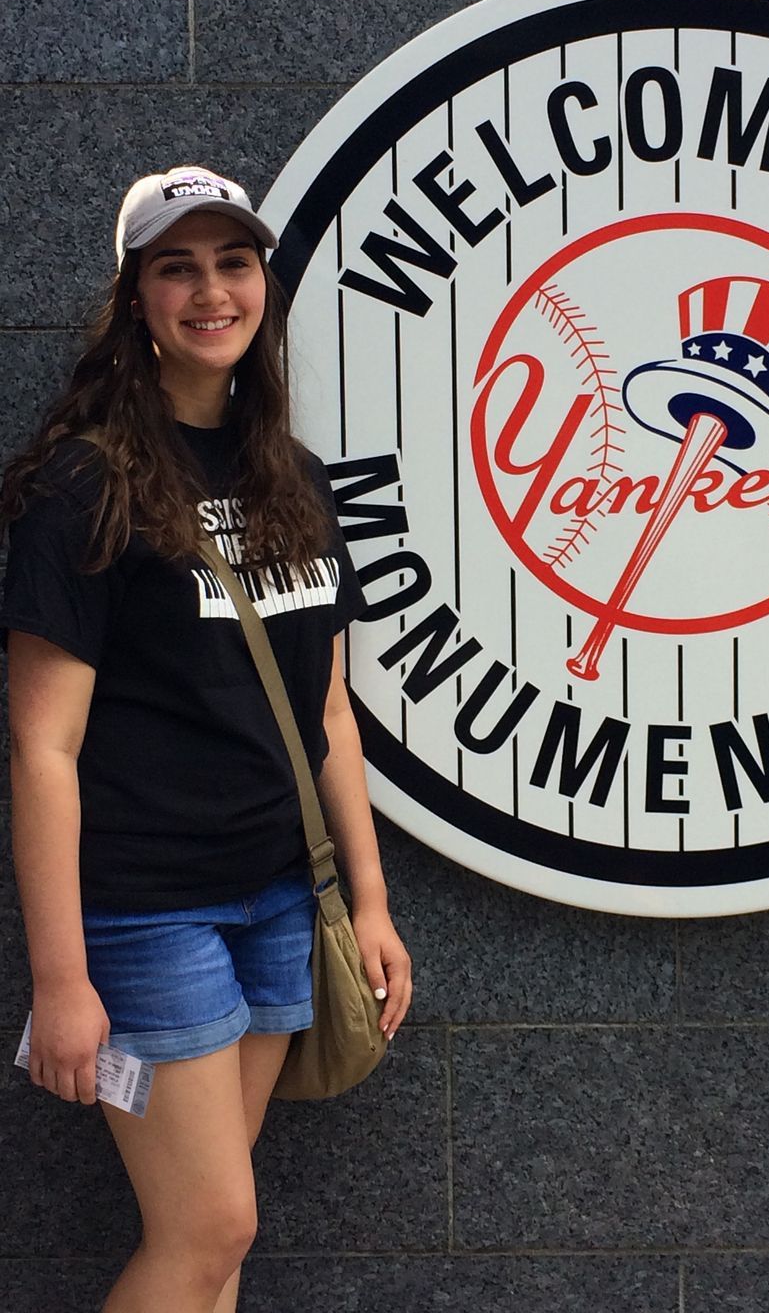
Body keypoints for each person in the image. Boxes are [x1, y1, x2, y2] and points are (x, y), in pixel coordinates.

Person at [0, 166, 412, 1312]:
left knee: (213, 1245)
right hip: (146, 909)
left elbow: (328, 709)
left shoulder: (299, 482)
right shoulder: (85, 485)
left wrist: (368, 903)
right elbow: (41, 748)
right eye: (176, 267)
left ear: (263, 288)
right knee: (213, 1223)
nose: (209, 291)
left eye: (233, 264)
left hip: (280, 897)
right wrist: (61, 978)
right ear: (135, 298)